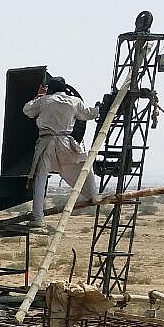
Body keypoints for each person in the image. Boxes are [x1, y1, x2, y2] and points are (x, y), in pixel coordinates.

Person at [22, 75, 100, 229]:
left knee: (40, 179)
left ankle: (38, 218)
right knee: (84, 165)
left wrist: (39, 95)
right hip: (66, 142)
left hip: (46, 143)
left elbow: (27, 110)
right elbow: (89, 114)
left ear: (50, 89)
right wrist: (98, 108)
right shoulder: (74, 101)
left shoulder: (44, 100)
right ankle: (93, 195)